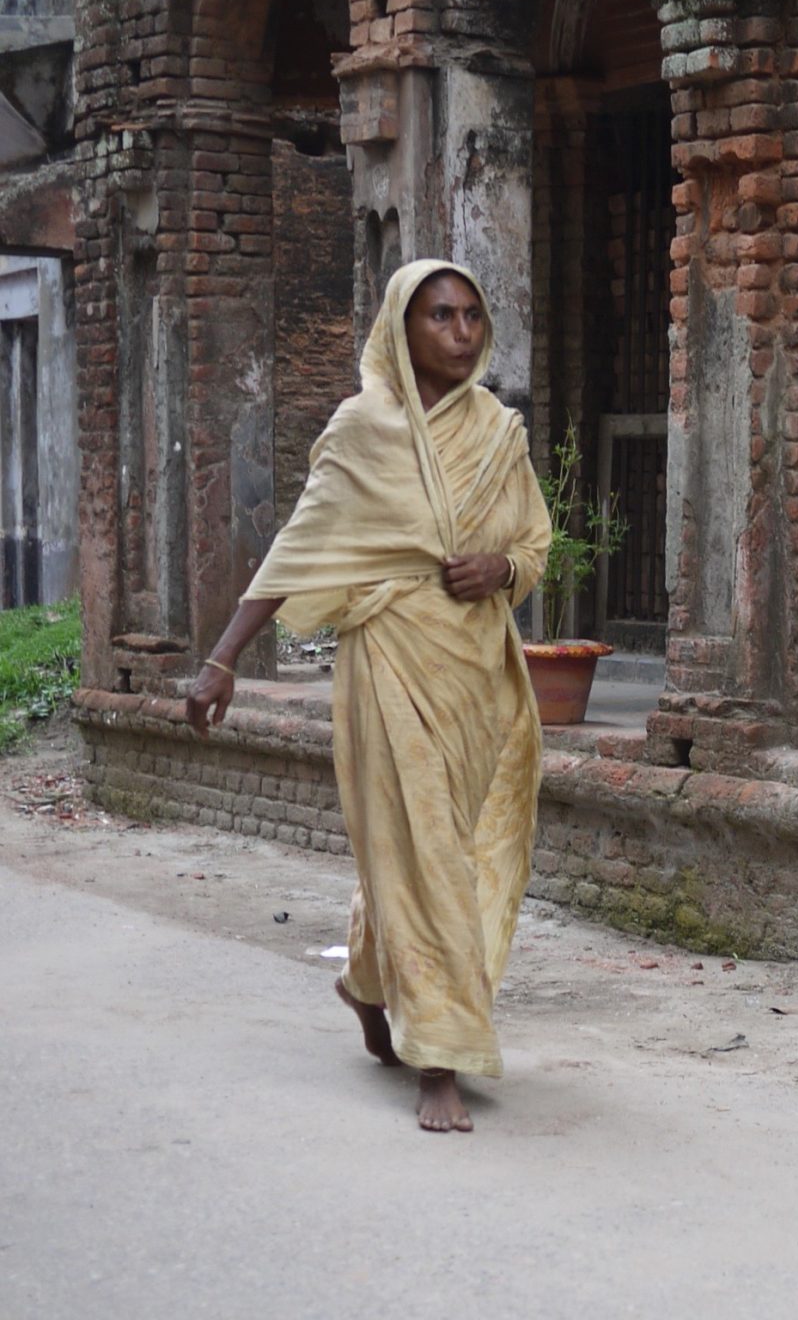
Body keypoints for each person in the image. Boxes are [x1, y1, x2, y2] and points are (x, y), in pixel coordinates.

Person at [187, 261, 550, 1132]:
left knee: (440, 848)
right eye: (440, 316)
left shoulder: (499, 431)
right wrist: (224, 659)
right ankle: (441, 1056)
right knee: (419, 849)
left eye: (471, 316)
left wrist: (500, 568)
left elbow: (534, 542)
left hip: (475, 670)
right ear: (401, 327)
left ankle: (365, 981)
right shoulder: (361, 430)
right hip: (387, 660)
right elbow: (297, 550)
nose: (461, 333)